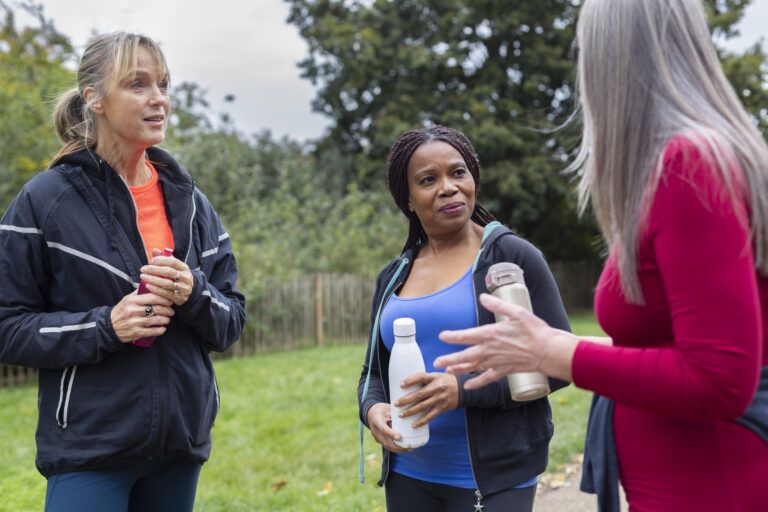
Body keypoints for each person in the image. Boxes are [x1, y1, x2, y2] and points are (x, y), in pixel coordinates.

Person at [434, 1, 768, 511]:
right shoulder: (686, 163)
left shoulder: (689, 164)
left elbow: (720, 380)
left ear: (612, 59)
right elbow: (674, 343)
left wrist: (553, 352)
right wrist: (537, 346)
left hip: (713, 484)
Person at [0, 32, 245, 511]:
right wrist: (106, 325)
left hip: (179, 447)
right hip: (90, 450)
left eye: (164, 84)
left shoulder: (191, 203)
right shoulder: (44, 201)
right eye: (138, 85)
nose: (159, 100)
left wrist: (194, 292)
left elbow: (231, 320)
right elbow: (7, 326)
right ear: (94, 98)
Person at [357, 126, 570, 512]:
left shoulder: (512, 258)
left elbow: (560, 363)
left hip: (493, 476)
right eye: (428, 180)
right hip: (409, 472)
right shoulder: (393, 276)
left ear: (473, 179)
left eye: (458, 173)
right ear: (407, 199)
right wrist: (371, 410)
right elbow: (372, 372)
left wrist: (461, 390)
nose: (448, 188)